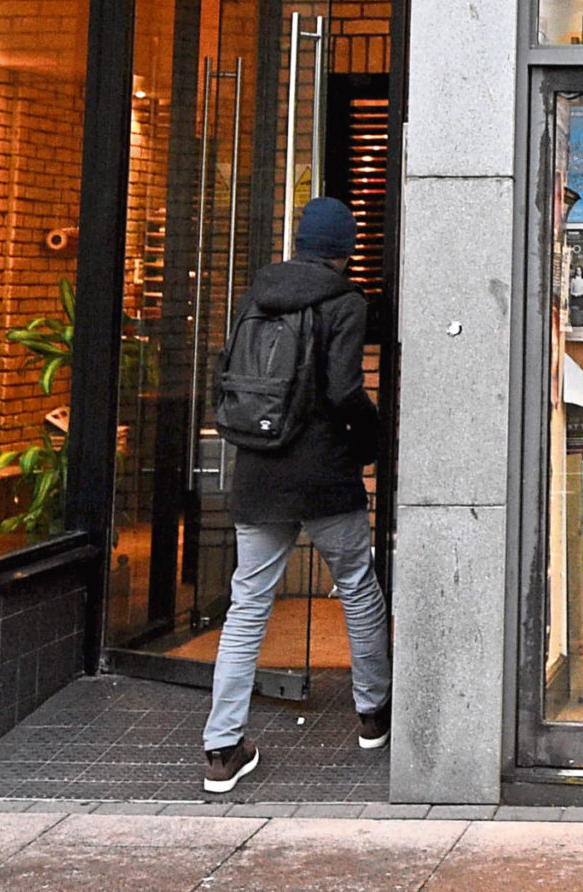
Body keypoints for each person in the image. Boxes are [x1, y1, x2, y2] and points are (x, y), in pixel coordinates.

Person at [201, 197, 390, 795]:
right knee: (357, 586)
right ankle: (372, 716)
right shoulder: (345, 301)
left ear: (301, 241)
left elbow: (225, 376)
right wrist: (377, 430)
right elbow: (342, 391)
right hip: (324, 472)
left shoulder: (256, 294)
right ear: (346, 247)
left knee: (248, 604)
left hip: (258, 470)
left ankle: (222, 748)